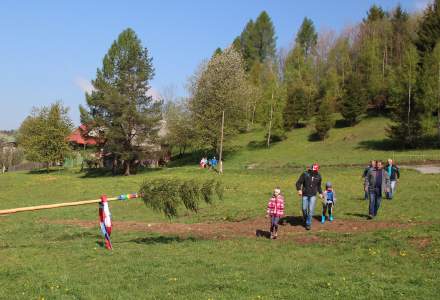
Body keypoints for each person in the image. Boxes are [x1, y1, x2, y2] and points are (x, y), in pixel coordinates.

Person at [296, 163, 323, 230]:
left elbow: (319, 186)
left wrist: (320, 193)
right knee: (304, 209)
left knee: (311, 210)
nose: (313, 172)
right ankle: (305, 219)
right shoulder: (305, 174)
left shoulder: (319, 176)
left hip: (313, 195)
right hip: (305, 194)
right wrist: (299, 189)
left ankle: (308, 223)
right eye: (312, 170)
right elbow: (298, 183)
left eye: (315, 170)